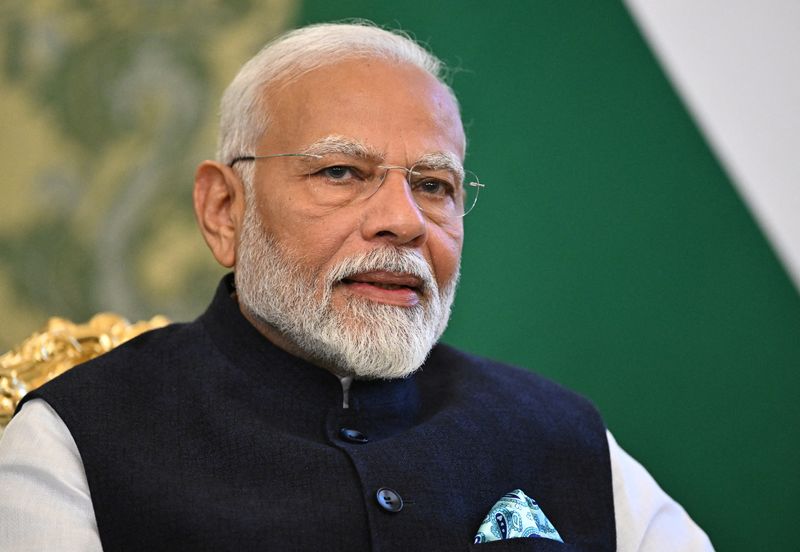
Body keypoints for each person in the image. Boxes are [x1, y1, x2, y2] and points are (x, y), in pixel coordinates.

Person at [0, 22, 713, 551]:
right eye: (340, 172)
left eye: (434, 185)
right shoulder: (71, 442)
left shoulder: (565, 434)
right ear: (225, 210)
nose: (403, 223)